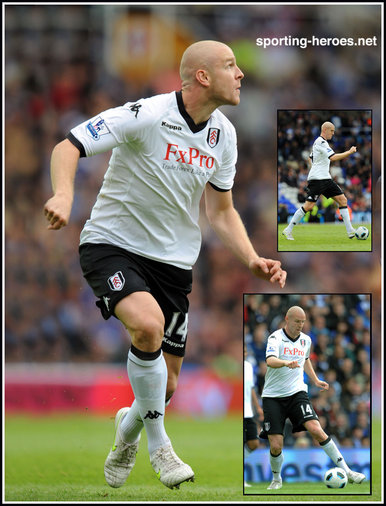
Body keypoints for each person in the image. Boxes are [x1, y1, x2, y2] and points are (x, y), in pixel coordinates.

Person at [44, 40, 287, 490]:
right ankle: (160, 447)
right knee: (148, 327)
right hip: (112, 244)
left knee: (168, 385)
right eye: (231, 66)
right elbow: (68, 145)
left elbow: (221, 211)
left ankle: (126, 432)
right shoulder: (148, 114)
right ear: (202, 76)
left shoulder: (224, 136)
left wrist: (251, 256)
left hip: (173, 264)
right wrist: (63, 194)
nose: (241, 74)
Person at [259, 305, 365, 490]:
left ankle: (347, 471)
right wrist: (285, 362)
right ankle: (277, 479)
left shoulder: (306, 340)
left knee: (316, 429)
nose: (300, 325)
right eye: (297, 321)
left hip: (297, 392)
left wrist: (315, 380)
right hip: (273, 396)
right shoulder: (275, 337)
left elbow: (305, 359)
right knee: (276, 445)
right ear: (287, 319)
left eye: (303, 321)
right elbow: (270, 360)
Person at [282, 121, 358, 240]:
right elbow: (333, 157)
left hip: (324, 178)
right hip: (319, 179)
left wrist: (314, 169)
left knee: (343, 200)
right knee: (308, 206)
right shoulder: (321, 142)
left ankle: (350, 231)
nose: (333, 133)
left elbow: (310, 158)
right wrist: (349, 152)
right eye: (332, 131)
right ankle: (288, 229)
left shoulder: (319, 143)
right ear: (325, 130)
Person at [244, 345, 264, 488]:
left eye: (245, 351)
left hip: (248, 412)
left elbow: (251, 388)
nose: (244, 353)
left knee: (253, 443)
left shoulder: (248, 367)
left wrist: (257, 407)